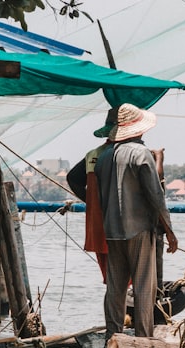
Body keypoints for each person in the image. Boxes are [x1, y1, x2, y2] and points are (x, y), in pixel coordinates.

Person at [96, 103, 178, 339]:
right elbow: (156, 195)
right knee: (144, 286)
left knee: (116, 287)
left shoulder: (105, 157)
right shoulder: (140, 154)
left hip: (112, 230)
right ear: (139, 129)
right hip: (139, 229)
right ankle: (143, 339)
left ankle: (113, 336)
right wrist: (169, 231)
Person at [65, 107, 117, 282]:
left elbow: (73, 179)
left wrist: (93, 203)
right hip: (121, 230)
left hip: (98, 227)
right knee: (127, 281)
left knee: (111, 280)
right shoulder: (126, 154)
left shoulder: (93, 155)